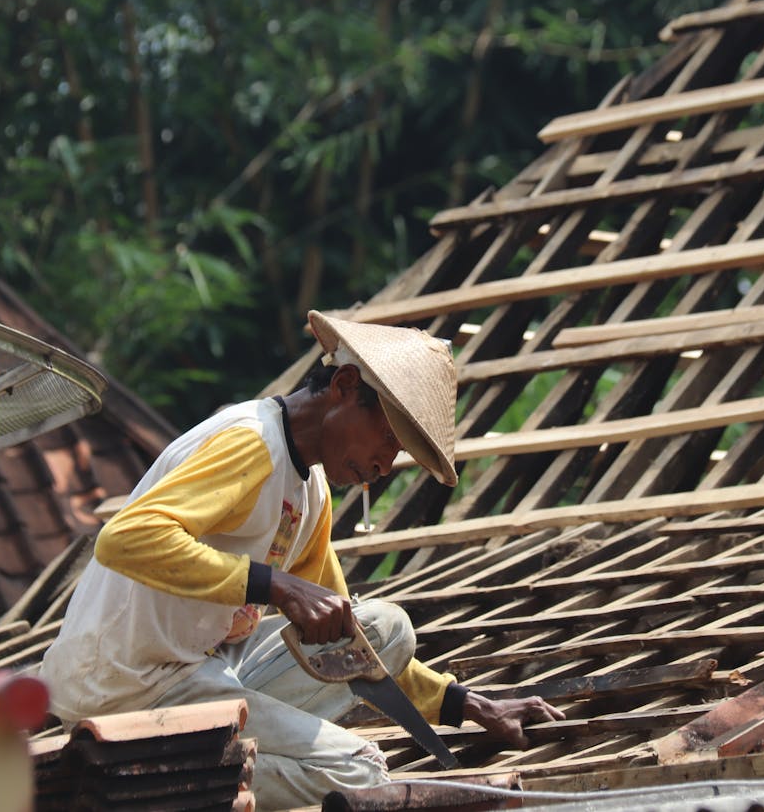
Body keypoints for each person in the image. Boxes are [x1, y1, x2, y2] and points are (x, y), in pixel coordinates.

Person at [39, 310, 563, 809]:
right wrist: (276, 587)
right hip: (124, 685)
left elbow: (344, 637)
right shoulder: (251, 443)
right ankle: (139, 786)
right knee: (359, 773)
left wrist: (465, 704)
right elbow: (125, 538)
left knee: (387, 629)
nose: (383, 467)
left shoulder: (311, 490)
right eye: (387, 438)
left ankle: (193, 758)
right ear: (345, 388)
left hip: (200, 674)